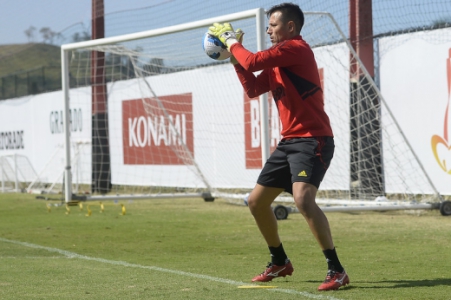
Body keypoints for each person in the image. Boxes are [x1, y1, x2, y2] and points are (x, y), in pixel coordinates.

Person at [208, 2, 349, 291]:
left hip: (314, 140)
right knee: (256, 202)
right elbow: (252, 88)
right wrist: (234, 58)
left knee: (303, 199)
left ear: (291, 28)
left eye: (272, 25)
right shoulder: (278, 61)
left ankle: (336, 270)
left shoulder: (296, 48)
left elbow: (253, 61)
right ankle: (279, 261)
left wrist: (232, 41)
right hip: (289, 142)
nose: (268, 30)